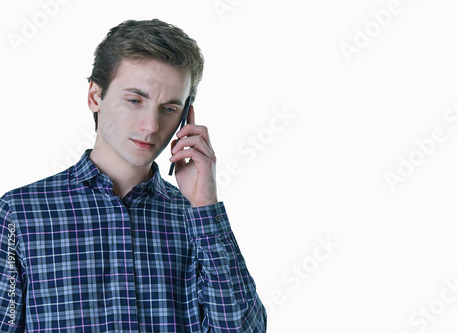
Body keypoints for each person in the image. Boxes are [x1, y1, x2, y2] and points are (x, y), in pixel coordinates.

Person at [0, 19, 267, 332]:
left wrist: (205, 206)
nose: (151, 126)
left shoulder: (196, 221)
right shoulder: (19, 214)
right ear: (95, 97)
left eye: (169, 108)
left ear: (186, 118)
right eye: (135, 100)